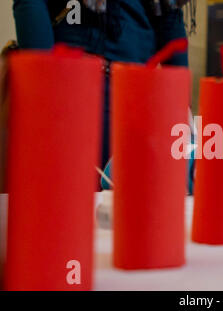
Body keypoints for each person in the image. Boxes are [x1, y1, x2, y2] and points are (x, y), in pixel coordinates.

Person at [12, 0, 195, 190]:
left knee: (139, 204)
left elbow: (169, 12)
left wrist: (180, 100)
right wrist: (47, 82)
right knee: (65, 202)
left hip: (140, 93)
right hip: (71, 89)